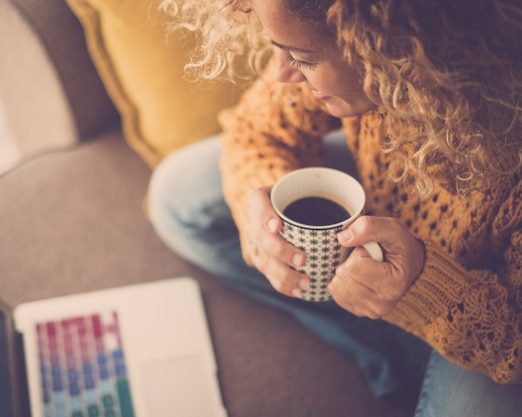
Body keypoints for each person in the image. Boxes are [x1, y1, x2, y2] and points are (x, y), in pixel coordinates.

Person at [148, 0, 522, 415]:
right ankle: (391, 348)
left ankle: (410, 349)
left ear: (392, 48)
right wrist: (259, 213)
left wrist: (420, 285)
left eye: (302, 58)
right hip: (385, 210)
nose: (281, 73)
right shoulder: (336, 52)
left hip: (486, 304)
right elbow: (257, 132)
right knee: (179, 194)